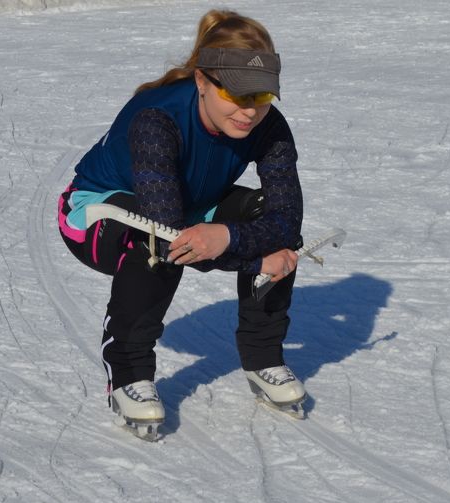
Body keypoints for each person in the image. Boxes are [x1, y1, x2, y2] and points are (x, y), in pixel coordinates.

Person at [57, 9, 306, 435]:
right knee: (151, 241)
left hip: (187, 206)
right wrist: (250, 260)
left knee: (265, 222)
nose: (250, 112)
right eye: (238, 94)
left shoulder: (270, 126)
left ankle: (264, 358)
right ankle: (129, 374)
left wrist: (229, 235)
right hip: (95, 216)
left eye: (261, 96)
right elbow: (168, 233)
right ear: (203, 82)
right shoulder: (157, 120)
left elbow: (287, 220)